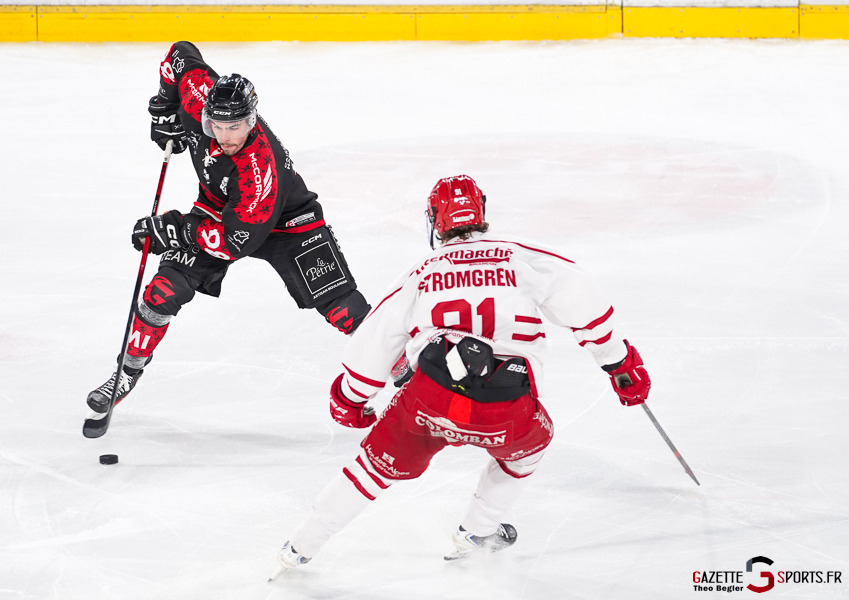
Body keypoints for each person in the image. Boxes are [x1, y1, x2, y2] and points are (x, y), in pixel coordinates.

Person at [270, 174, 651, 577]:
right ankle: (477, 532)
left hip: (428, 401)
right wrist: (619, 365)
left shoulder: (422, 271)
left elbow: (376, 339)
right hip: (506, 407)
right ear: (480, 211)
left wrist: (351, 399)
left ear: (435, 219)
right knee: (529, 452)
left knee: (371, 468)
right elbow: (585, 306)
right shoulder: (520, 258)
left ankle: (299, 548)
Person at [84, 41, 370, 426]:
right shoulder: (201, 94)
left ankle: (402, 369)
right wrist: (165, 107)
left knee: (343, 309)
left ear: (253, 120)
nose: (223, 136)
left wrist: (175, 230)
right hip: (218, 208)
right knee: (163, 292)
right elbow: (179, 54)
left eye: (234, 126)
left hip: (287, 224)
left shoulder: (259, 170)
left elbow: (234, 241)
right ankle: (128, 370)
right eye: (215, 125)